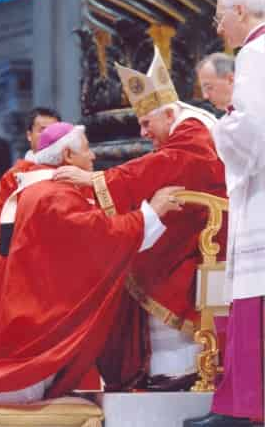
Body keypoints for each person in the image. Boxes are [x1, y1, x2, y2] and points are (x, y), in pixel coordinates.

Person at [0, 122, 183, 427]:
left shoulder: (34, 190)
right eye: (87, 149)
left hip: (18, 322)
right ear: (68, 154)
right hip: (27, 347)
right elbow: (101, 239)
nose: (94, 157)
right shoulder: (52, 197)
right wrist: (152, 212)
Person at [54, 46, 227, 391]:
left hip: (209, 235)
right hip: (192, 226)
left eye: (147, 123)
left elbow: (171, 165)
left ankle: (184, 369)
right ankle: (164, 370)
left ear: (168, 114)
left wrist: (98, 179)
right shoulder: (179, 129)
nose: (144, 132)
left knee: (148, 264)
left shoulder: (192, 130)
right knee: (134, 253)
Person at [184, 0, 265, 427]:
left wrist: (217, 127)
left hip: (261, 195)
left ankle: (244, 407)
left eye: (218, 17)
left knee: (254, 301)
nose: (217, 28)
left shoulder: (253, 54)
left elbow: (251, 132)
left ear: (238, 11)